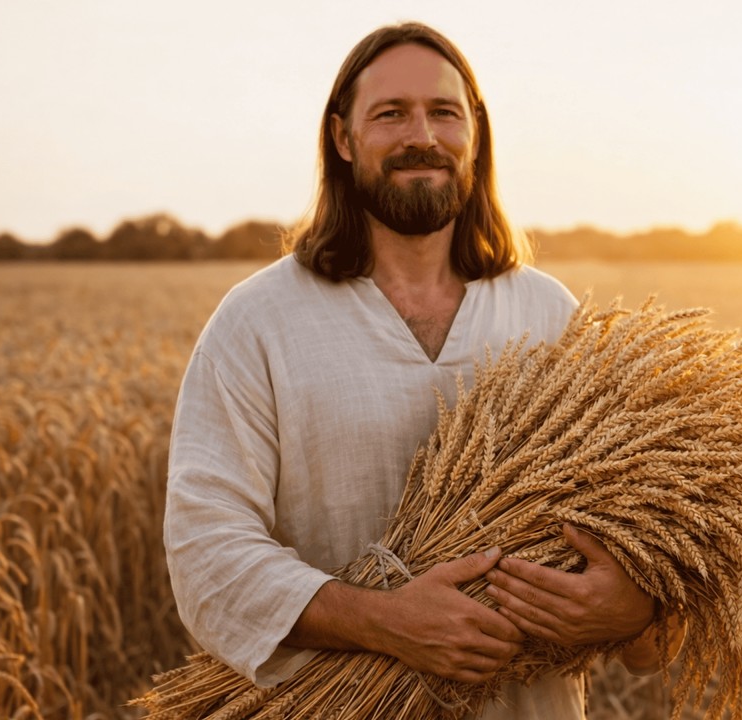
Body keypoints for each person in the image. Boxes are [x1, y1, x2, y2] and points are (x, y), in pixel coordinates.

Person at [164, 21, 677, 719]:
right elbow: (207, 547)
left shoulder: (550, 316)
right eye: (391, 114)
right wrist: (388, 621)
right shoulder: (260, 321)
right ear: (343, 139)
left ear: (475, 135)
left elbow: (649, 541)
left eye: (444, 113)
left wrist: (631, 609)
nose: (422, 137)